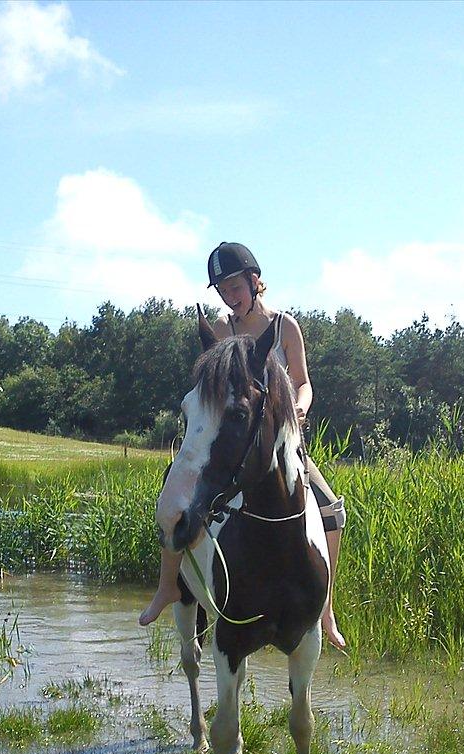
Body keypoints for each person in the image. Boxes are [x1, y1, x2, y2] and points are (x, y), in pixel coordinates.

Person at [139, 242, 347, 651]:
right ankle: (168, 586)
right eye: (222, 290)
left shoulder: (285, 327)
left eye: (234, 286)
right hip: (235, 445)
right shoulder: (223, 329)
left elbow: (303, 382)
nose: (229, 296)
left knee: (331, 512)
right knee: (177, 497)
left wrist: (300, 409)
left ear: (254, 281)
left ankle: (326, 607)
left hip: (281, 445)